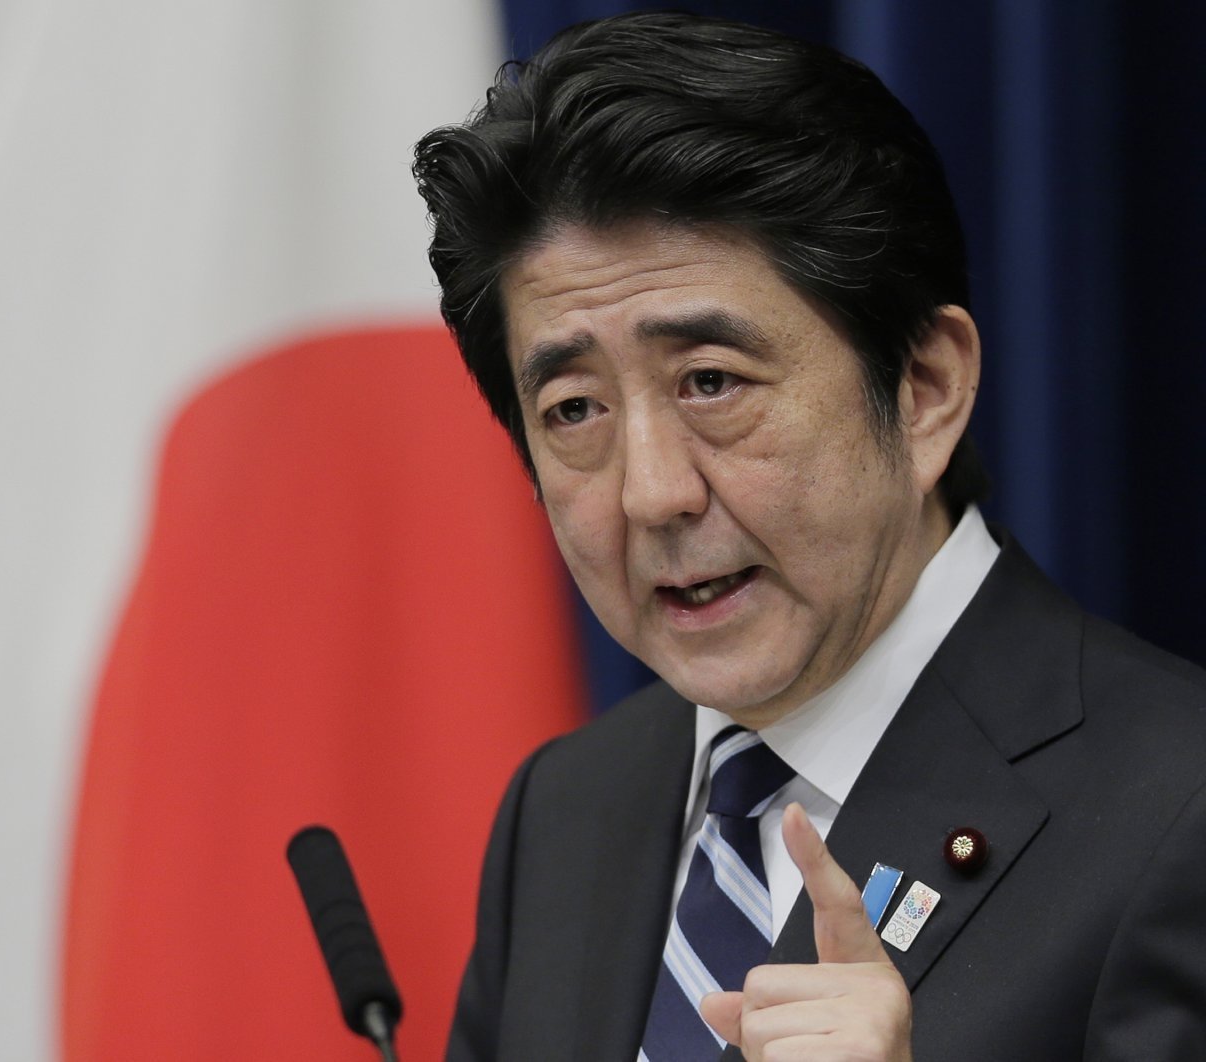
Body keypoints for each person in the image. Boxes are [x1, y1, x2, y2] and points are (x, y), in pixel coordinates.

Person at [412, 11, 1206, 1061]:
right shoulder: (568, 808)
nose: (651, 494)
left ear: (924, 389)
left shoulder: (1180, 810)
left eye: (711, 383)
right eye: (573, 410)